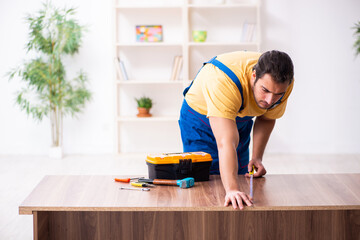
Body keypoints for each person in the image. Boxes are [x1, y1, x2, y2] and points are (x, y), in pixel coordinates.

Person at [178, 50, 294, 210]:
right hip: (199, 119)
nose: (270, 100)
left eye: (277, 95)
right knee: (206, 182)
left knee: (242, 174)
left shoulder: (283, 84)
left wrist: (257, 158)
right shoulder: (222, 81)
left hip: (240, 117)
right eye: (265, 91)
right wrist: (231, 189)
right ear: (254, 76)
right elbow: (226, 143)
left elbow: (267, 118)